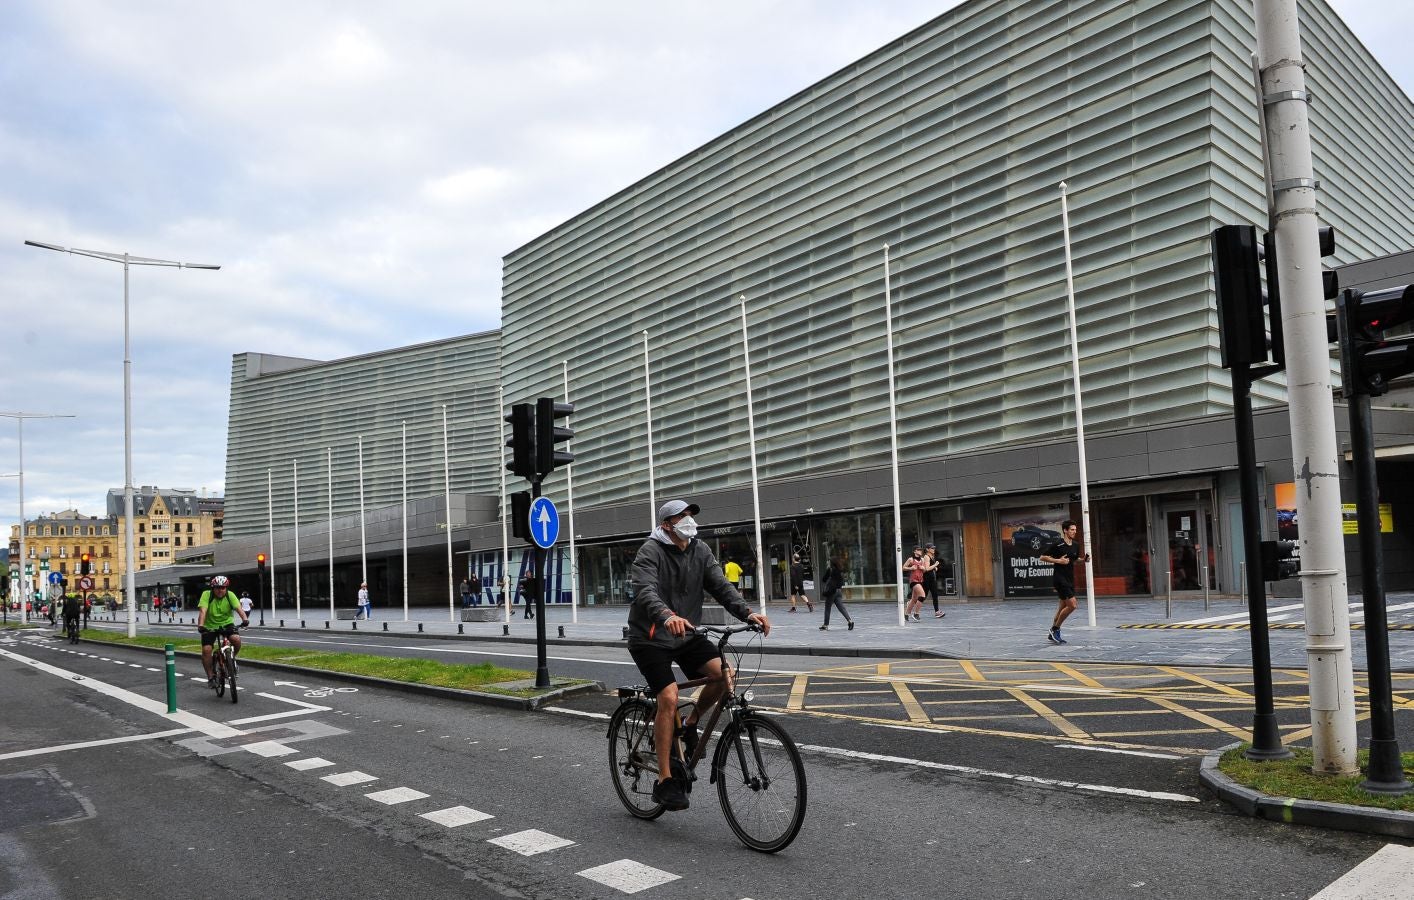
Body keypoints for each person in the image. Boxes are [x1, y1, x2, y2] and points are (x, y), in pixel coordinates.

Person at [628, 499, 770, 812]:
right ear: (667, 524)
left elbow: (721, 586)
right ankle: (665, 780)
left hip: (685, 634)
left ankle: (690, 724)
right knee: (667, 696)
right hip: (650, 637)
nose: (689, 521)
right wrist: (666, 615)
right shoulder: (649, 552)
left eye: (691, 515)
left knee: (724, 674)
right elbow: (645, 591)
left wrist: (748, 614)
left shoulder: (700, 550)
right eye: (682, 516)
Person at [1040, 520, 1088, 645]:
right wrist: (1058, 561)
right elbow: (1043, 557)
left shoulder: (1076, 545)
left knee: (1062, 607)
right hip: (1059, 579)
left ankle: (1052, 631)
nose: (1074, 532)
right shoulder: (1058, 544)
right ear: (1065, 530)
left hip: (1070, 579)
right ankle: (1055, 630)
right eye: (1072, 529)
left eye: (1075, 530)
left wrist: (1084, 560)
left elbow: (1074, 559)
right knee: (1072, 605)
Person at [196, 575, 249, 686]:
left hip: (227, 624)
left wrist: (245, 619)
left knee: (236, 639)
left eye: (223, 588)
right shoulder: (207, 595)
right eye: (217, 587)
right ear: (213, 588)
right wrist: (201, 625)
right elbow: (202, 611)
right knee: (206, 650)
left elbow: (239, 609)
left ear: (226, 588)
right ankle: (211, 677)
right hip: (209, 625)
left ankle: (231, 660)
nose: (220, 590)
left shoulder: (230, 595)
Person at [818, 554, 854, 631]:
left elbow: (824, 579)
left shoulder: (830, 569)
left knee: (827, 608)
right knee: (841, 608)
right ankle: (850, 621)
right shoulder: (840, 570)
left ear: (831, 563)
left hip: (831, 591)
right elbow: (841, 581)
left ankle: (825, 625)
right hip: (838, 591)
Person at [903, 547, 927, 621]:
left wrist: (923, 568)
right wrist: (911, 568)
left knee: (914, 599)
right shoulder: (911, 559)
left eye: (921, 550)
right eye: (918, 550)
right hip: (913, 580)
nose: (920, 551)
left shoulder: (922, 559)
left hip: (920, 580)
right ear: (914, 551)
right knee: (922, 596)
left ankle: (906, 614)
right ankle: (916, 613)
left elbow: (925, 570)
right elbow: (903, 568)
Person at [924, 544, 946, 619]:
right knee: (923, 596)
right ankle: (911, 604)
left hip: (932, 578)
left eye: (934, 548)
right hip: (927, 579)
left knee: (935, 595)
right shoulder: (926, 557)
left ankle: (937, 612)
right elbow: (926, 569)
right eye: (932, 548)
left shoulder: (932, 556)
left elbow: (930, 567)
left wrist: (935, 567)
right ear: (927, 549)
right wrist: (935, 565)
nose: (933, 549)